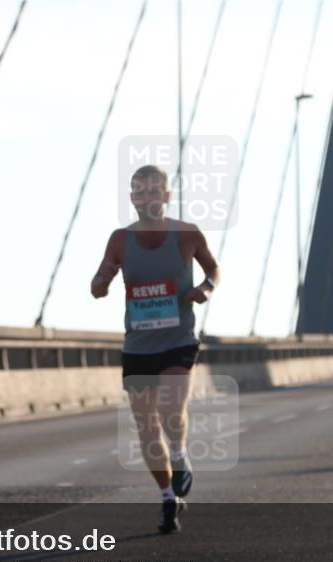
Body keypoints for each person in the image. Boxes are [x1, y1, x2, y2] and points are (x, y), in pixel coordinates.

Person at [91, 165, 221, 534]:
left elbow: (213, 269)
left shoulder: (186, 234)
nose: (146, 199)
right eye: (139, 193)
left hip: (178, 340)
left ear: (166, 196)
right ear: (132, 198)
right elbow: (101, 276)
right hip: (138, 346)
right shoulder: (120, 239)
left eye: (153, 192)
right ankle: (168, 497)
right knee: (146, 428)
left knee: (171, 411)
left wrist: (205, 288)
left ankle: (179, 456)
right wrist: (101, 283)